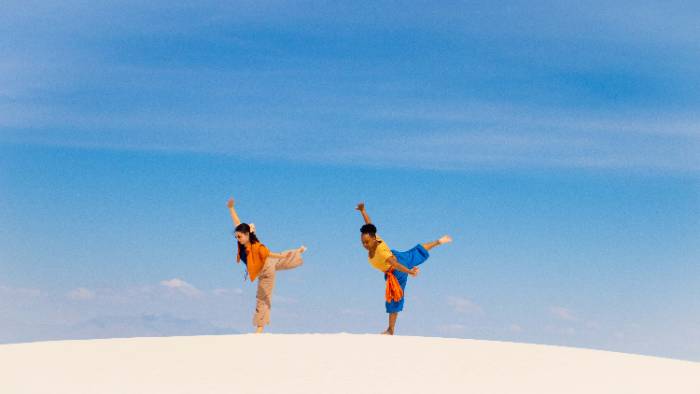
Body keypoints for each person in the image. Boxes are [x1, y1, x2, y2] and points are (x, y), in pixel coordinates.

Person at [355, 202, 452, 335]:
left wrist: (409, 272)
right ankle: (438, 242)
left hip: (396, 270)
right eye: (363, 242)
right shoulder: (373, 236)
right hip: (397, 259)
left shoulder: (381, 252)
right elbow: (368, 224)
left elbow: (395, 265)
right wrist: (363, 211)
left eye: (366, 242)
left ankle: (390, 330)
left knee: (394, 298)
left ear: (373, 238)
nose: (364, 245)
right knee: (415, 253)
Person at [227, 197, 306, 333]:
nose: (237, 239)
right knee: (281, 260)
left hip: (266, 270)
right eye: (236, 236)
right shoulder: (243, 241)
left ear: (247, 235)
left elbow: (269, 254)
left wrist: (282, 256)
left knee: (262, 297)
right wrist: (231, 208)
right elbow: (237, 222)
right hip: (264, 264)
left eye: (239, 236)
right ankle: (298, 251)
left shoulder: (256, 246)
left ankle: (260, 328)